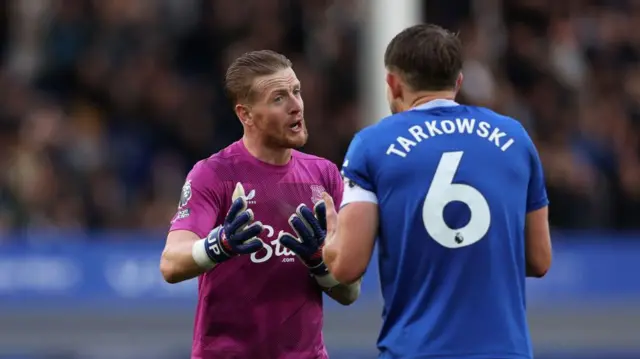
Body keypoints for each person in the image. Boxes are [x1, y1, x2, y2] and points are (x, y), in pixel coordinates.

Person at [291, 24, 553, 358]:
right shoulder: (515, 138)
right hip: (505, 351)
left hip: (416, 350)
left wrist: (328, 243)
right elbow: (539, 259)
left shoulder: (372, 145)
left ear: (392, 83)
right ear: (458, 82)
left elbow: (347, 267)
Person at [159, 50, 361, 359]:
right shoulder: (214, 174)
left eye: (297, 91)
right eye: (279, 98)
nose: (296, 106)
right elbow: (171, 264)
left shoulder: (324, 175)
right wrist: (220, 244)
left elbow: (349, 292)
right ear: (246, 114)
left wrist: (319, 261)